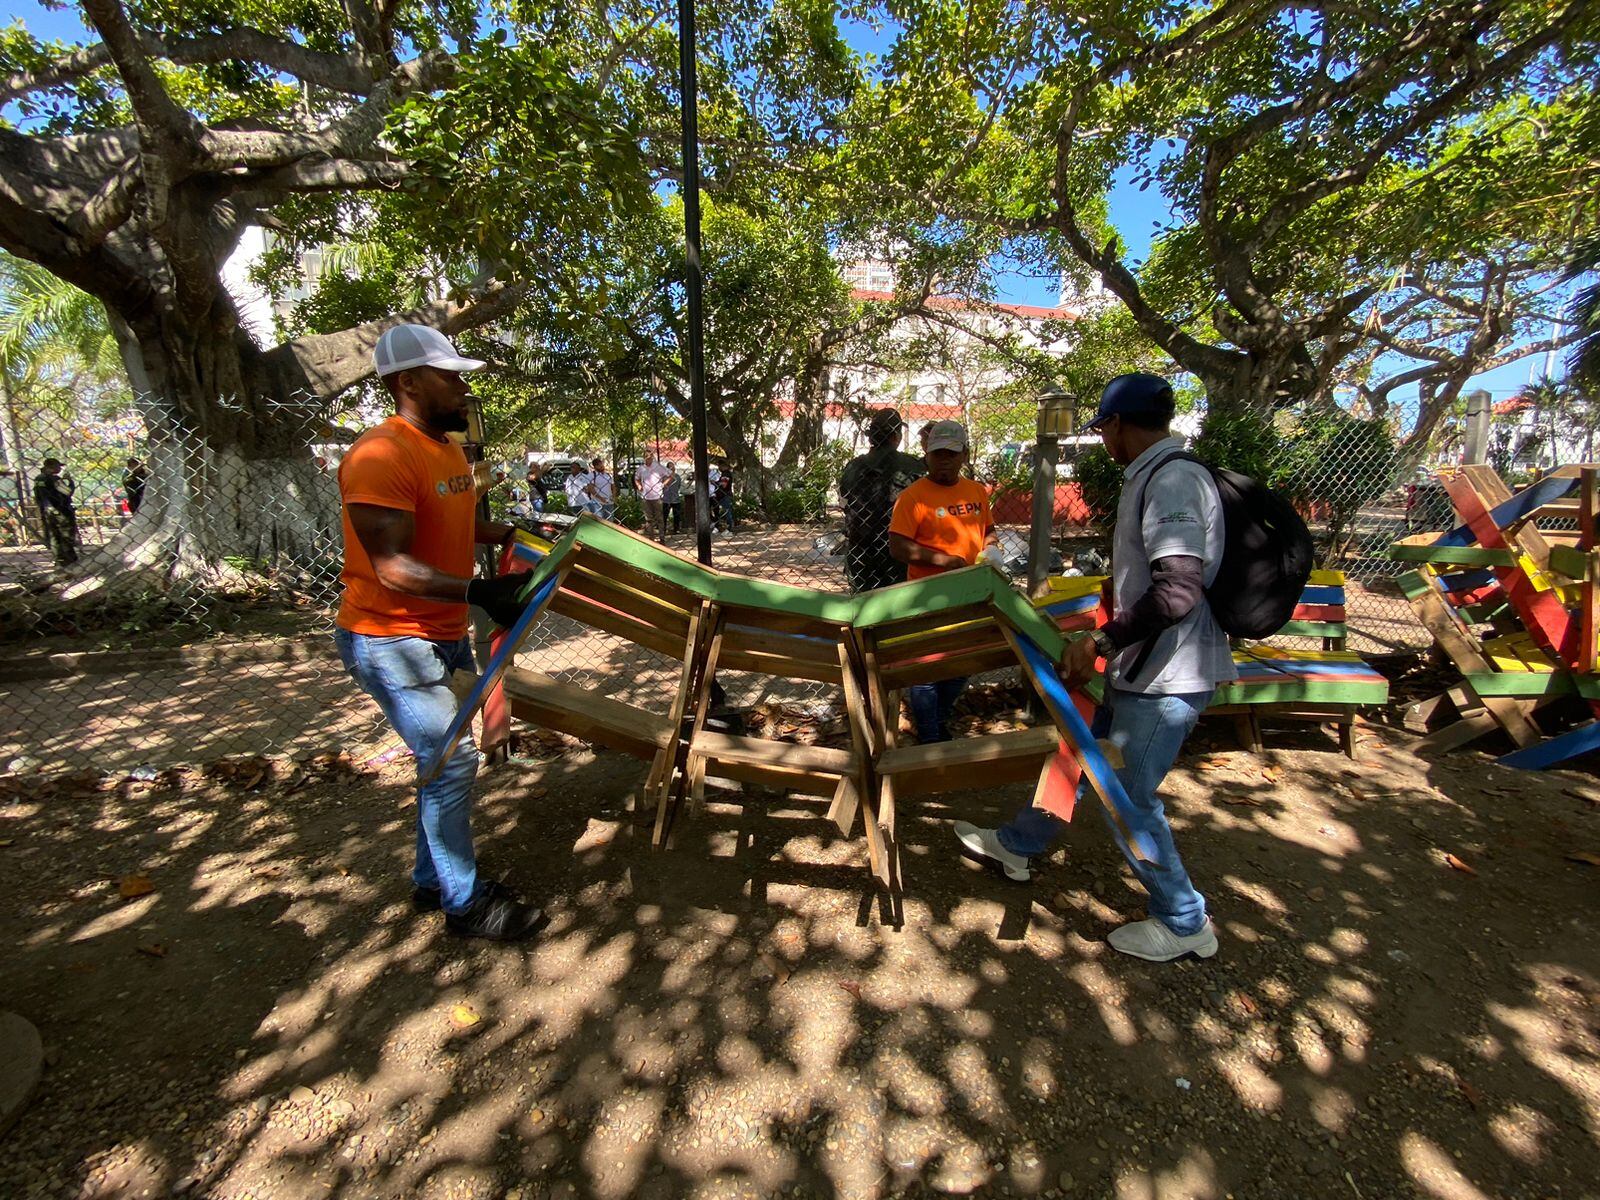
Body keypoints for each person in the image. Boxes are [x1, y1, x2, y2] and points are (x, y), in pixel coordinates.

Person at [953, 372, 1234, 963]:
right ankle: (1018, 844)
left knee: (1128, 795)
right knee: (1078, 751)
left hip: (1167, 676)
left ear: (1119, 426)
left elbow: (1177, 591)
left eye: (1104, 428)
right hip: (1146, 666)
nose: (1104, 440)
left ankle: (1184, 921)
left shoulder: (1174, 479)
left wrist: (1100, 642)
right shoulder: (1154, 475)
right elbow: (1146, 577)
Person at [334, 322, 545, 942]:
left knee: (441, 762)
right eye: (449, 375)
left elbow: (454, 521)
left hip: (442, 632)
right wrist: (480, 591)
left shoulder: (448, 449)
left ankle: (433, 883)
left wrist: (505, 534)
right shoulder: (379, 455)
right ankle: (464, 905)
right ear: (408, 382)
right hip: (389, 637)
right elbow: (392, 566)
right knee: (451, 764)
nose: (461, 386)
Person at [888, 420, 998, 742]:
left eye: (951, 453)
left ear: (964, 454)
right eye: (938, 454)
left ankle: (935, 720)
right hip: (928, 597)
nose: (944, 460)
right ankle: (931, 734)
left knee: (961, 665)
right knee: (925, 670)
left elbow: (987, 530)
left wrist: (992, 549)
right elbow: (898, 546)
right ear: (926, 454)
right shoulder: (913, 498)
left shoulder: (977, 492)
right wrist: (945, 562)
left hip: (971, 594)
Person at [839, 409, 925, 592]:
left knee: (863, 603)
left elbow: (844, 498)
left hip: (860, 549)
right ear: (896, 436)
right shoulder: (914, 466)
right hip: (899, 549)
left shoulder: (853, 466)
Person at [33, 457, 78, 567]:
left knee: (54, 536)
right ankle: (69, 559)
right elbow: (67, 492)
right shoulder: (54, 479)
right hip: (61, 510)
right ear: (52, 467)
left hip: (46, 511)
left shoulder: (39, 479)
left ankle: (59, 559)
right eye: (58, 466)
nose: (60, 469)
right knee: (66, 535)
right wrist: (70, 481)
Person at [636, 452, 671, 539]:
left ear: (652, 457)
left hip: (657, 496)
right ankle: (651, 537)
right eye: (646, 457)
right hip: (645, 496)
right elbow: (636, 478)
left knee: (659, 518)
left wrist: (663, 484)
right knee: (648, 519)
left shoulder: (658, 467)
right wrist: (639, 485)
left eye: (649, 457)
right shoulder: (641, 468)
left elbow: (670, 475)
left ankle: (662, 537)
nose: (648, 459)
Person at [587, 457, 616, 521]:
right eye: (598, 465)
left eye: (601, 464)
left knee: (610, 520)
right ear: (595, 467)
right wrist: (600, 498)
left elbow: (613, 486)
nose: (601, 466)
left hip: (609, 502)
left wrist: (613, 496)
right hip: (597, 503)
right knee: (599, 520)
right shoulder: (592, 475)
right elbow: (591, 489)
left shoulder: (608, 475)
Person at [713, 463, 735, 532]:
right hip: (723, 495)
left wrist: (715, 483)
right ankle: (728, 527)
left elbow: (724, 484)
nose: (719, 467)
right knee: (726, 511)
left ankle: (730, 528)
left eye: (720, 465)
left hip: (725, 495)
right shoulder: (724, 474)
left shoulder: (726, 474)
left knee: (727, 511)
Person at [663, 462, 683, 534]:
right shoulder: (664, 477)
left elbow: (678, 486)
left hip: (675, 499)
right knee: (664, 515)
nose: (673, 468)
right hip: (666, 499)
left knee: (677, 515)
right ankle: (663, 529)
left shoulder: (677, 477)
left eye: (673, 466)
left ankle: (676, 529)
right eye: (670, 467)